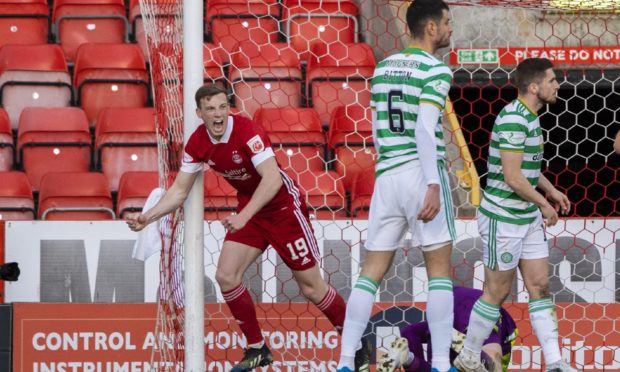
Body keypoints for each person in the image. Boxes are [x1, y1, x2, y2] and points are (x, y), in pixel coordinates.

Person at [127, 84, 348, 372]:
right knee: (226, 276)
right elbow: (180, 190)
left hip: (282, 209)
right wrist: (149, 217)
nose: (217, 114)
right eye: (210, 109)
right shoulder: (197, 143)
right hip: (251, 210)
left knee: (311, 287)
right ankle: (257, 348)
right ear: (199, 113)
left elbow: (272, 180)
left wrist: (244, 216)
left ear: (228, 108)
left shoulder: (248, 131)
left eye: (222, 107)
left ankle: (356, 338)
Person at [336, 1, 457, 371]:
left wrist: (388, 164)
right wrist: (433, 184)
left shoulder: (384, 67)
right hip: (422, 174)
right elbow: (424, 127)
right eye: (448, 23)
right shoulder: (436, 69)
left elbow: (374, 128)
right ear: (432, 28)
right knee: (439, 273)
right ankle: (439, 364)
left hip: (387, 174)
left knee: (369, 274)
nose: (452, 29)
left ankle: (344, 363)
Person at [453, 58, 575, 372]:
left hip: (526, 215)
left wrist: (550, 191)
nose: (557, 85)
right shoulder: (512, 119)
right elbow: (512, 177)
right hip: (503, 217)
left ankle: (555, 364)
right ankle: (468, 356)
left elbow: (527, 171)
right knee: (497, 291)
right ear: (534, 87)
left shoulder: (532, 117)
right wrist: (544, 204)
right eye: (551, 80)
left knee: (541, 286)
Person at [377, 286, 518, 372]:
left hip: (449, 302)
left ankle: (408, 358)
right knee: (491, 366)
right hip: (477, 307)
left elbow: (410, 332)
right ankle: (450, 335)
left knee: (439, 368)